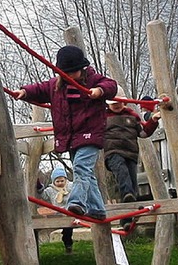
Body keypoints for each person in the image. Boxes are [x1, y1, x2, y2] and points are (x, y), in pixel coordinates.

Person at [12, 45, 117, 220]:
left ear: (82, 69)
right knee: (86, 174)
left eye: (73, 72)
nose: (69, 76)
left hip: (90, 135)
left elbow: (111, 85)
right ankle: (97, 209)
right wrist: (24, 92)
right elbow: (40, 89)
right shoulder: (56, 86)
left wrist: (99, 91)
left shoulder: (92, 79)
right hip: (70, 137)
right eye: (65, 73)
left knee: (81, 168)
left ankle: (76, 202)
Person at [105, 86, 161, 203]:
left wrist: (153, 121)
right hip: (113, 152)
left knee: (133, 182)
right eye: (113, 103)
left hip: (131, 153)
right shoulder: (103, 116)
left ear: (124, 102)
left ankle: (128, 217)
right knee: (122, 172)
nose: (116, 105)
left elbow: (143, 133)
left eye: (119, 102)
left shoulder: (132, 115)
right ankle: (127, 194)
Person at [41, 166, 74, 253]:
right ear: (53, 182)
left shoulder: (71, 186)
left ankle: (68, 244)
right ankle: (67, 242)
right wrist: (40, 188)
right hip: (58, 213)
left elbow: (78, 191)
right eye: (57, 181)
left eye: (62, 180)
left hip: (70, 211)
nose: (60, 183)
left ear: (66, 179)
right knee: (65, 228)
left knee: (68, 230)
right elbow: (44, 196)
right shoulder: (51, 190)